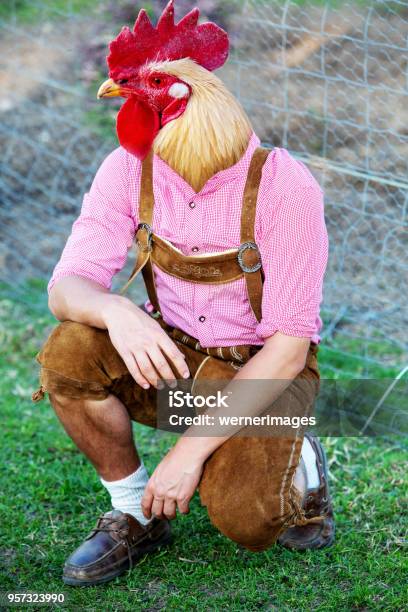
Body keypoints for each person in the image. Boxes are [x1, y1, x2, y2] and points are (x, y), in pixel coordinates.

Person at [32, 1, 334, 587]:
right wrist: (117, 310)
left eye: (149, 83)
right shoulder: (126, 169)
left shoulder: (282, 185)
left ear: (186, 100)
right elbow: (66, 287)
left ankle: (303, 462)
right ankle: (134, 511)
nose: (118, 89)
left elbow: (289, 349)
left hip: (260, 372)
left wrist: (188, 453)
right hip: (173, 354)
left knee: (250, 522)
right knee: (69, 351)